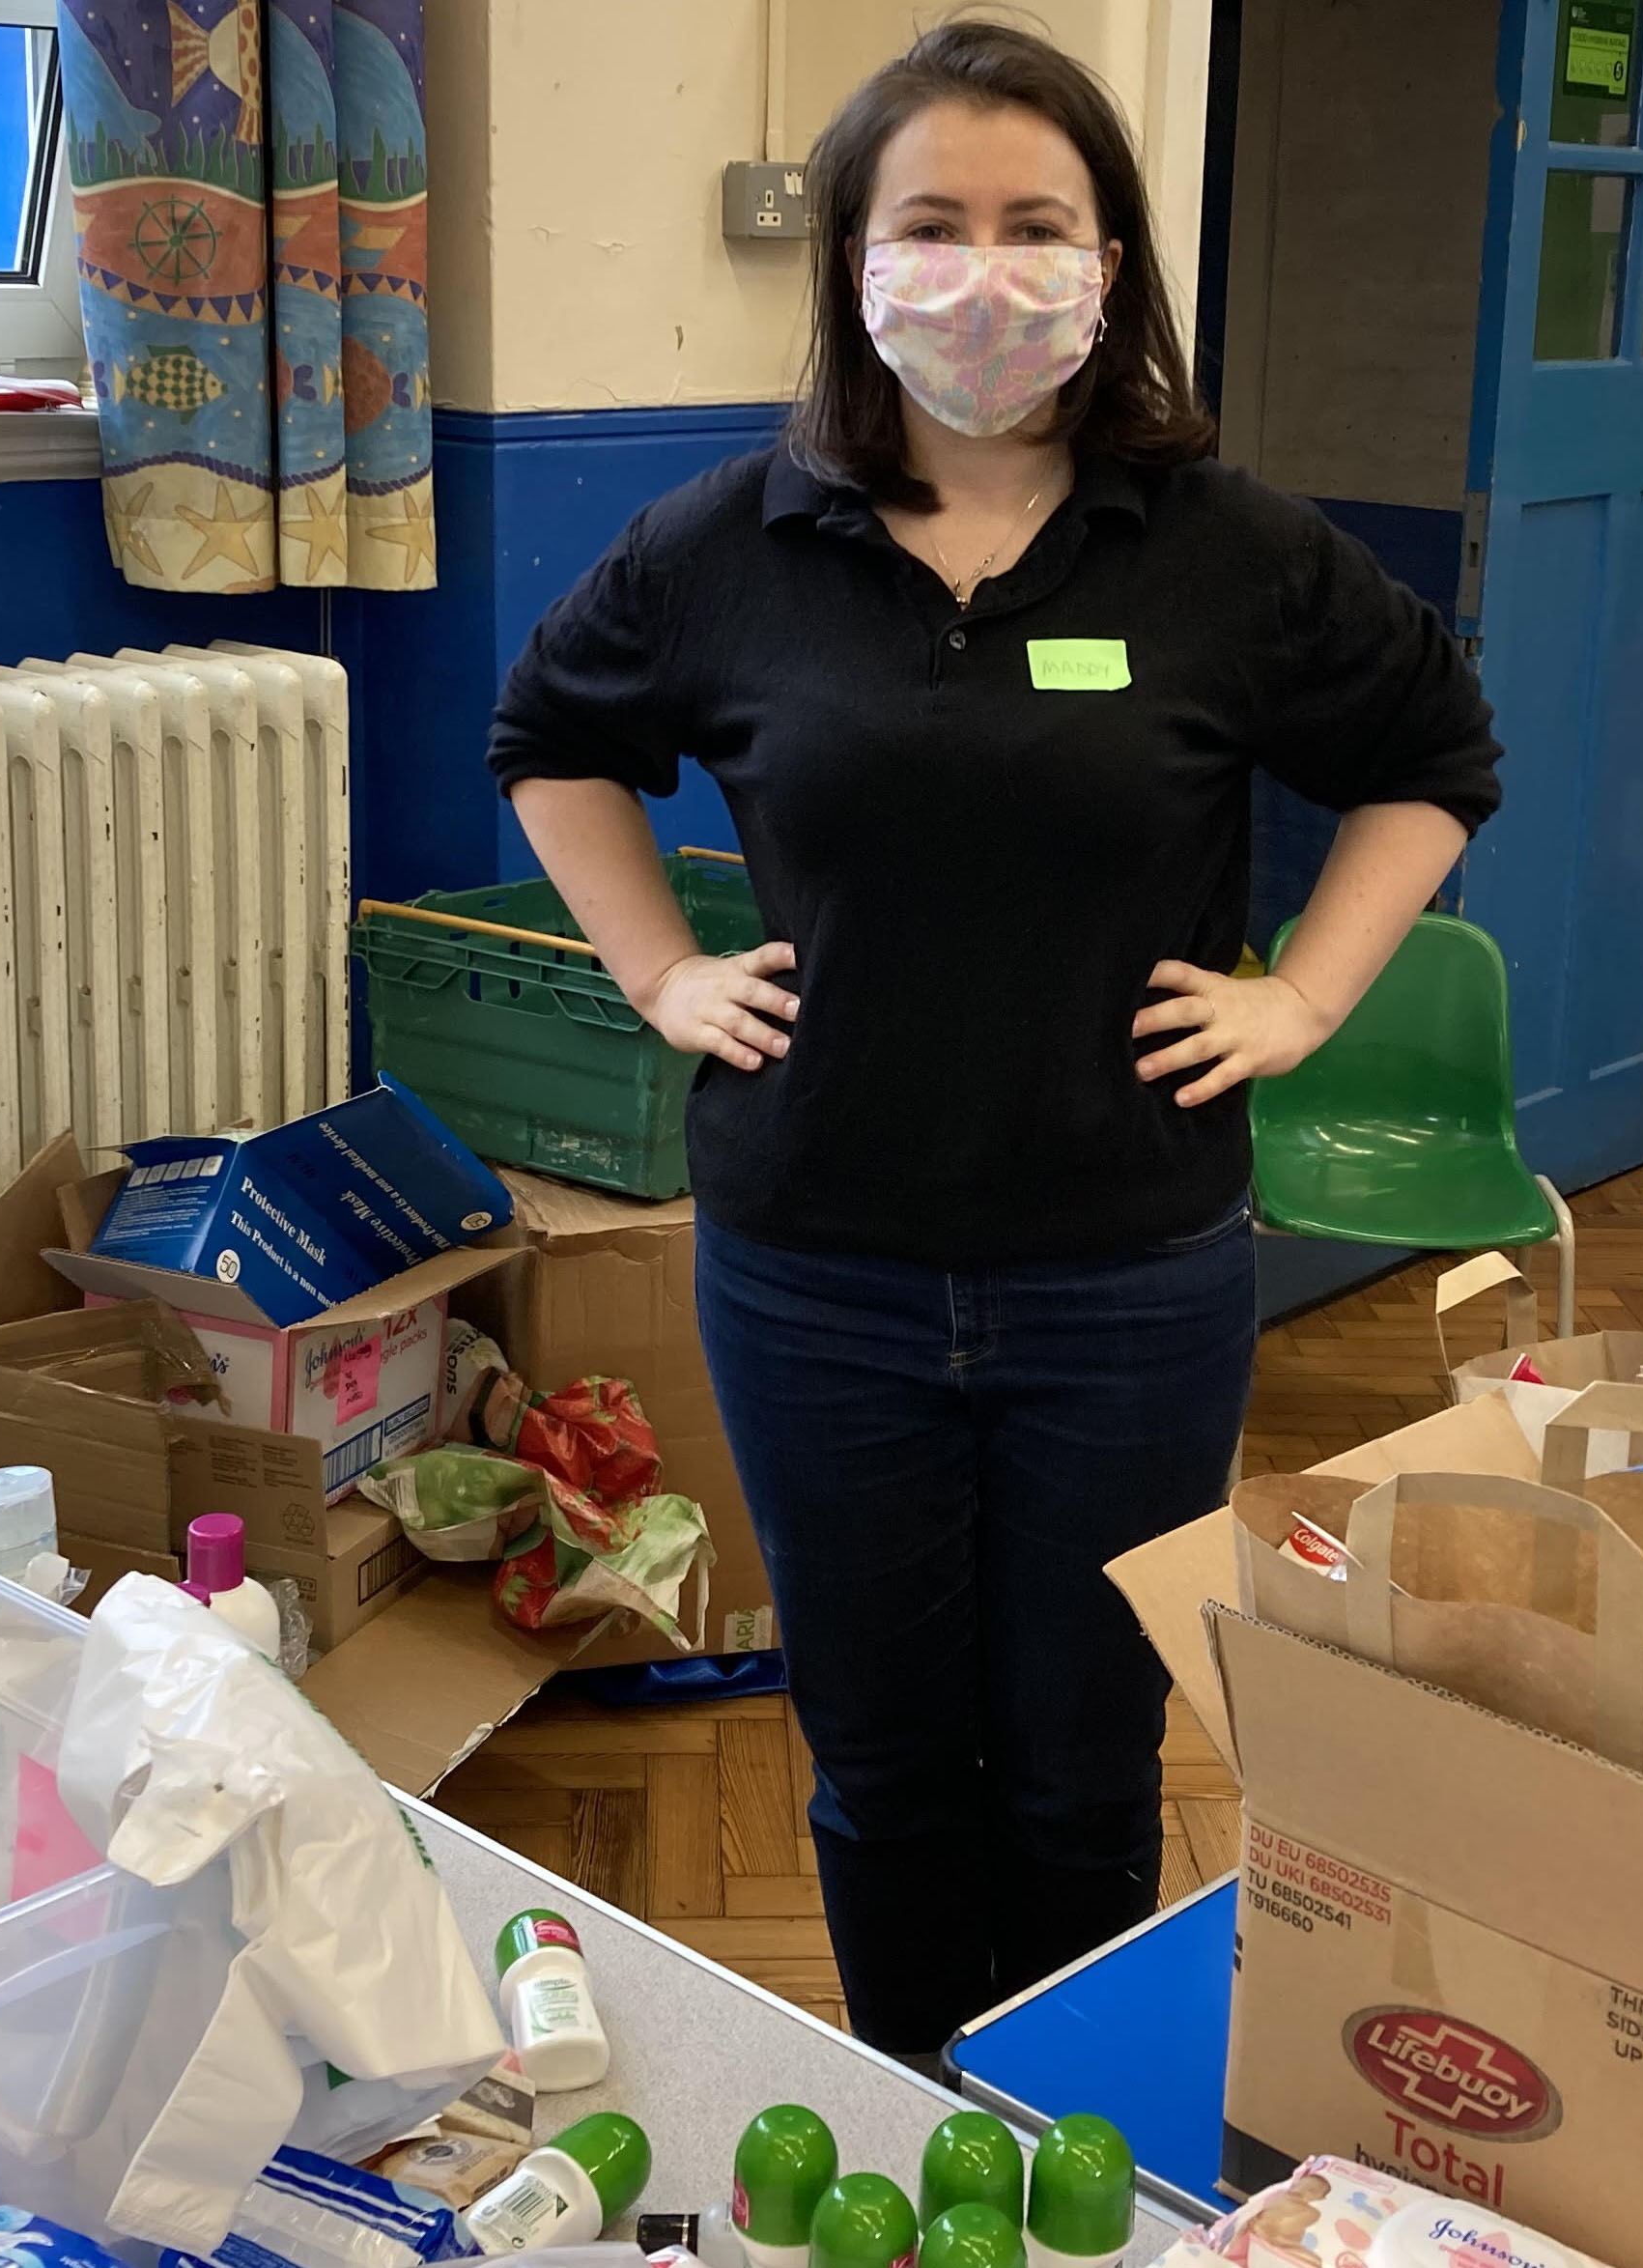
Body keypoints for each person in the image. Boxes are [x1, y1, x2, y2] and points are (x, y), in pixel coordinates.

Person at [484, 17, 1503, 2055]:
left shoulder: (1227, 548)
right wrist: (663, 975)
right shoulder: (724, 547)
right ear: (851, 259)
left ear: (1111, 260)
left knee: (1076, 1768)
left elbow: (1435, 756)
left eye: (1037, 222)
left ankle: (1055, 2140)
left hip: (1126, 1276)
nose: (983, 265)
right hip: (814, 1268)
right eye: (930, 220)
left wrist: (1302, 991)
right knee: (874, 1764)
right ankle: (907, 2115)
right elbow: (553, 744)